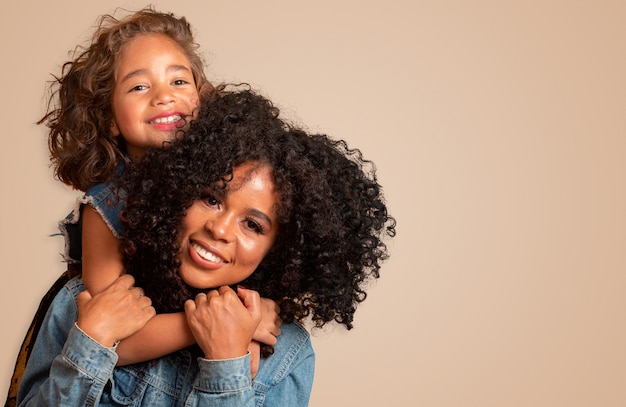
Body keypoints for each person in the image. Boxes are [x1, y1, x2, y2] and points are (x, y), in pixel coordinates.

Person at [17, 86, 396, 406]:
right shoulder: (85, 303)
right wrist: (91, 344)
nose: (220, 229)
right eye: (211, 199)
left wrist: (226, 362)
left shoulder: (286, 354)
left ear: (279, 251)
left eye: (253, 224)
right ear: (177, 193)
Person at [36, 6, 281, 368]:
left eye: (179, 81)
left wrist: (252, 312)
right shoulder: (106, 203)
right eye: (139, 86)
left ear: (201, 95)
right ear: (111, 118)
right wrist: (211, 324)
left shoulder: (217, 183)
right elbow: (109, 340)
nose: (164, 96)